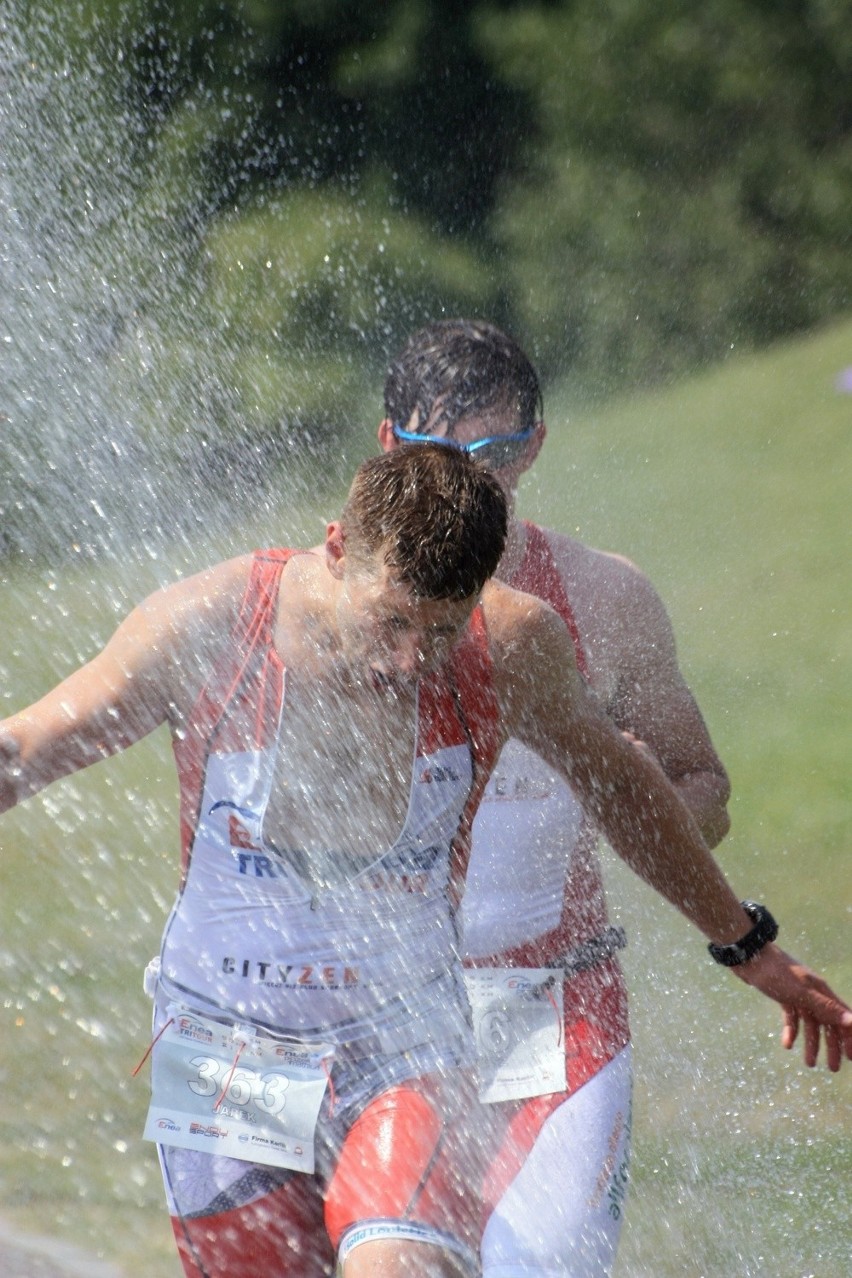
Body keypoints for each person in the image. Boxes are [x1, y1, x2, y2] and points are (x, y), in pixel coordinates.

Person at [1, 445, 849, 1278]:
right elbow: (30, 745)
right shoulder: (212, 623)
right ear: (337, 549)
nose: (408, 660)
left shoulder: (513, 644)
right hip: (226, 1047)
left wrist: (749, 948)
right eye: (394, 620)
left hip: (402, 1044)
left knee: (402, 1265)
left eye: (441, 631)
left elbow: (626, 790)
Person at [378, 319, 848, 1274]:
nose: (472, 480)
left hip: (559, 1009)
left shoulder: (602, 597)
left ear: (535, 448)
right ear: (389, 449)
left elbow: (704, 786)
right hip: (382, 1016)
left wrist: (635, 794)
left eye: (497, 451)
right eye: (440, 454)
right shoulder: (330, 600)